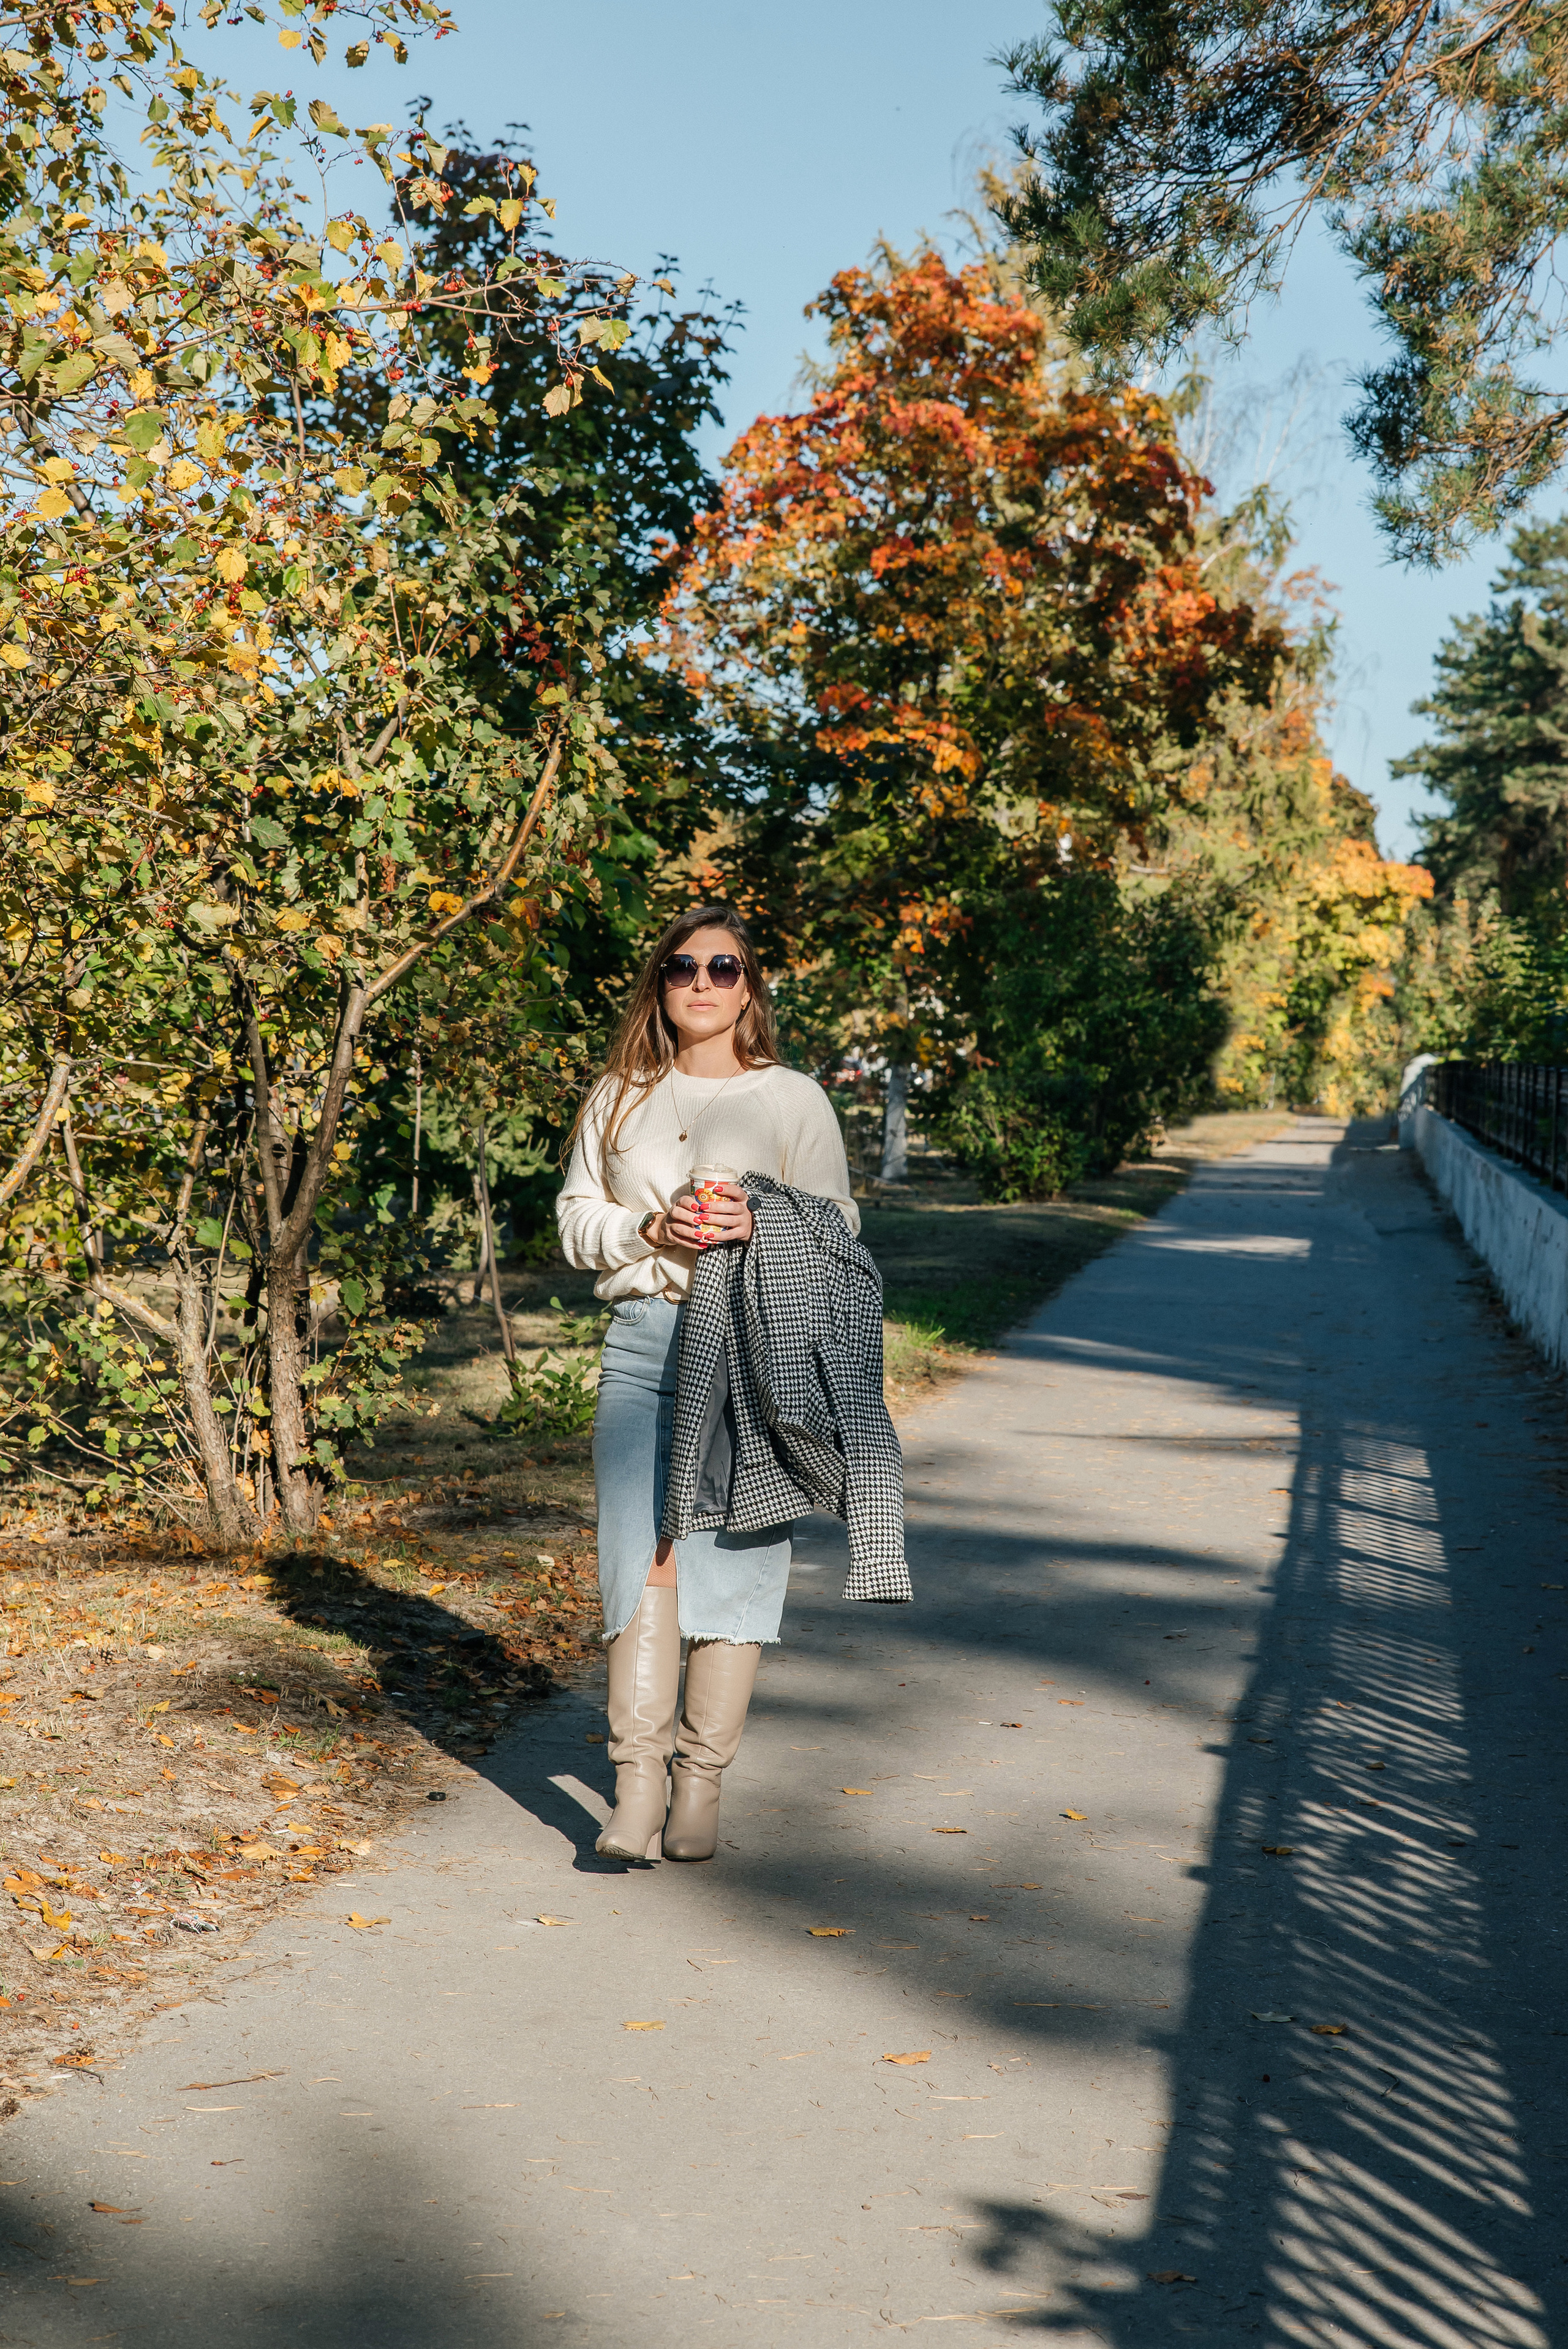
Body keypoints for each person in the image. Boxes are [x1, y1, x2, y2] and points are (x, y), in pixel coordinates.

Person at [556, 903, 861, 1864]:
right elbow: (572, 1218)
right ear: (660, 981)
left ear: (749, 985)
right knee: (638, 1554)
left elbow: (842, 1222)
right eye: (682, 965)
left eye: (722, 967)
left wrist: (755, 1227)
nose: (700, 981)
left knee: (735, 1556)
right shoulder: (617, 1095)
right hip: (645, 1341)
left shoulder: (793, 1097)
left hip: (751, 1346)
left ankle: (699, 1789)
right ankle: (636, 1790)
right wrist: (648, 1231)